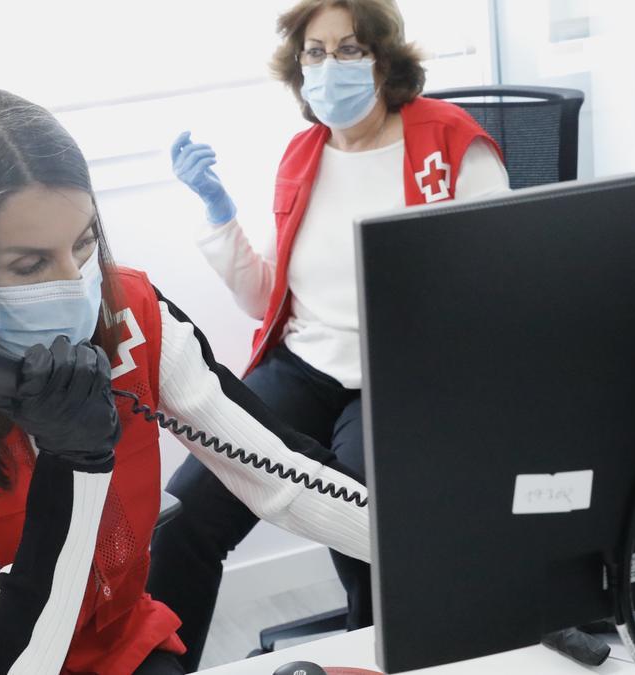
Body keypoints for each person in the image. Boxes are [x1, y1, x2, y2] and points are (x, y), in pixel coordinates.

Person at [0, 87, 370, 675]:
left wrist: (430, 548)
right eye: (30, 265)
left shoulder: (128, 314)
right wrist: (75, 462)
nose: (74, 284)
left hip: (114, 642)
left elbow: (282, 479)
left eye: (84, 243)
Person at [148, 0, 509, 670]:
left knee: (370, 524)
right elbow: (266, 298)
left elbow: (500, 287)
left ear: (383, 58)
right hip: (305, 367)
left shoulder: (451, 141)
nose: (329, 67)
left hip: (404, 376)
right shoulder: (304, 154)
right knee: (182, 521)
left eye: (349, 49)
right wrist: (217, 212)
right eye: (315, 52)